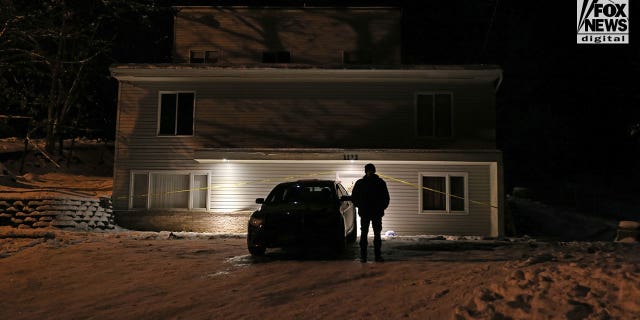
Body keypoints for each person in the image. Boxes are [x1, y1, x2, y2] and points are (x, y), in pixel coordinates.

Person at [351, 163, 390, 262]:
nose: (370, 172)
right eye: (368, 170)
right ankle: (363, 257)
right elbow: (354, 197)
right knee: (364, 234)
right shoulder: (361, 183)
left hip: (376, 213)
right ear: (366, 171)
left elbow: (386, 197)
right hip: (365, 213)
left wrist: (381, 207)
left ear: (374, 171)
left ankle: (377, 256)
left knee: (377, 234)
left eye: (371, 170)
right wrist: (359, 205)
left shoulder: (380, 183)